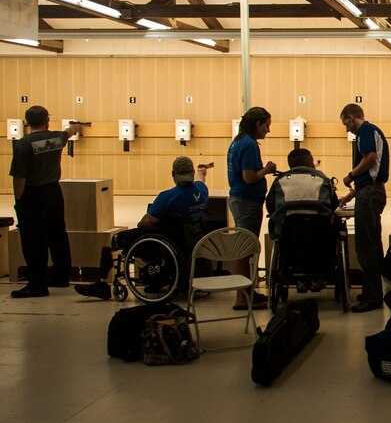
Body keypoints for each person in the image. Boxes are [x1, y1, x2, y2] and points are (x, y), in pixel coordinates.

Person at [75, 157, 210, 300]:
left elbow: (146, 222)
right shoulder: (202, 190)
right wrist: (202, 172)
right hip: (189, 240)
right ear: (192, 172)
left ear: (173, 174)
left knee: (113, 243)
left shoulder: (168, 196)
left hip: (167, 241)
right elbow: (200, 179)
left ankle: (101, 284)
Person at [9, 106, 81, 298]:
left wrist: (19, 200)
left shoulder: (24, 145)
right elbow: (68, 132)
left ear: (27, 122)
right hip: (54, 192)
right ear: (46, 120)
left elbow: (19, 178)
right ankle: (60, 275)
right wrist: (75, 127)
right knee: (57, 234)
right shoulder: (55, 139)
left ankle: (37, 284)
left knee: (33, 240)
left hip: (33, 194)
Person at [264, 148, 339, 293]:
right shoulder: (323, 179)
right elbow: (333, 206)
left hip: (289, 240)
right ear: (308, 162)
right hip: (321, 240)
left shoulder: (280, 181)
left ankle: (300, 279)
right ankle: (319, 277)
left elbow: (271, 207)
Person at [339, 104, 389, 313]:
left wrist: (350, 175)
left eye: (346, 124)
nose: (347, 129)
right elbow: (369, 176)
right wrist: (351, 194)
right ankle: (374, 290)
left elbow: (370, 159)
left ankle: (373, 296)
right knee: (373, 244)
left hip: (369, 194)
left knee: (365, 246)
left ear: (352, 117)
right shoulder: (373, 131)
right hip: (370, 191)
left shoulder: (366, 131)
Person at [226, 106, 275, 309]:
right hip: (247, 201)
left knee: (244, 246)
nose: (268, 130)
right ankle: (242, 297)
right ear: (258, 124)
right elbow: (249, 177)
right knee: (244, 248)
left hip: (241, 200)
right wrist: (267, 170)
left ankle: (247, 292)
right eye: (266, 126)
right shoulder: (249, 145)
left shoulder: (238, 142)